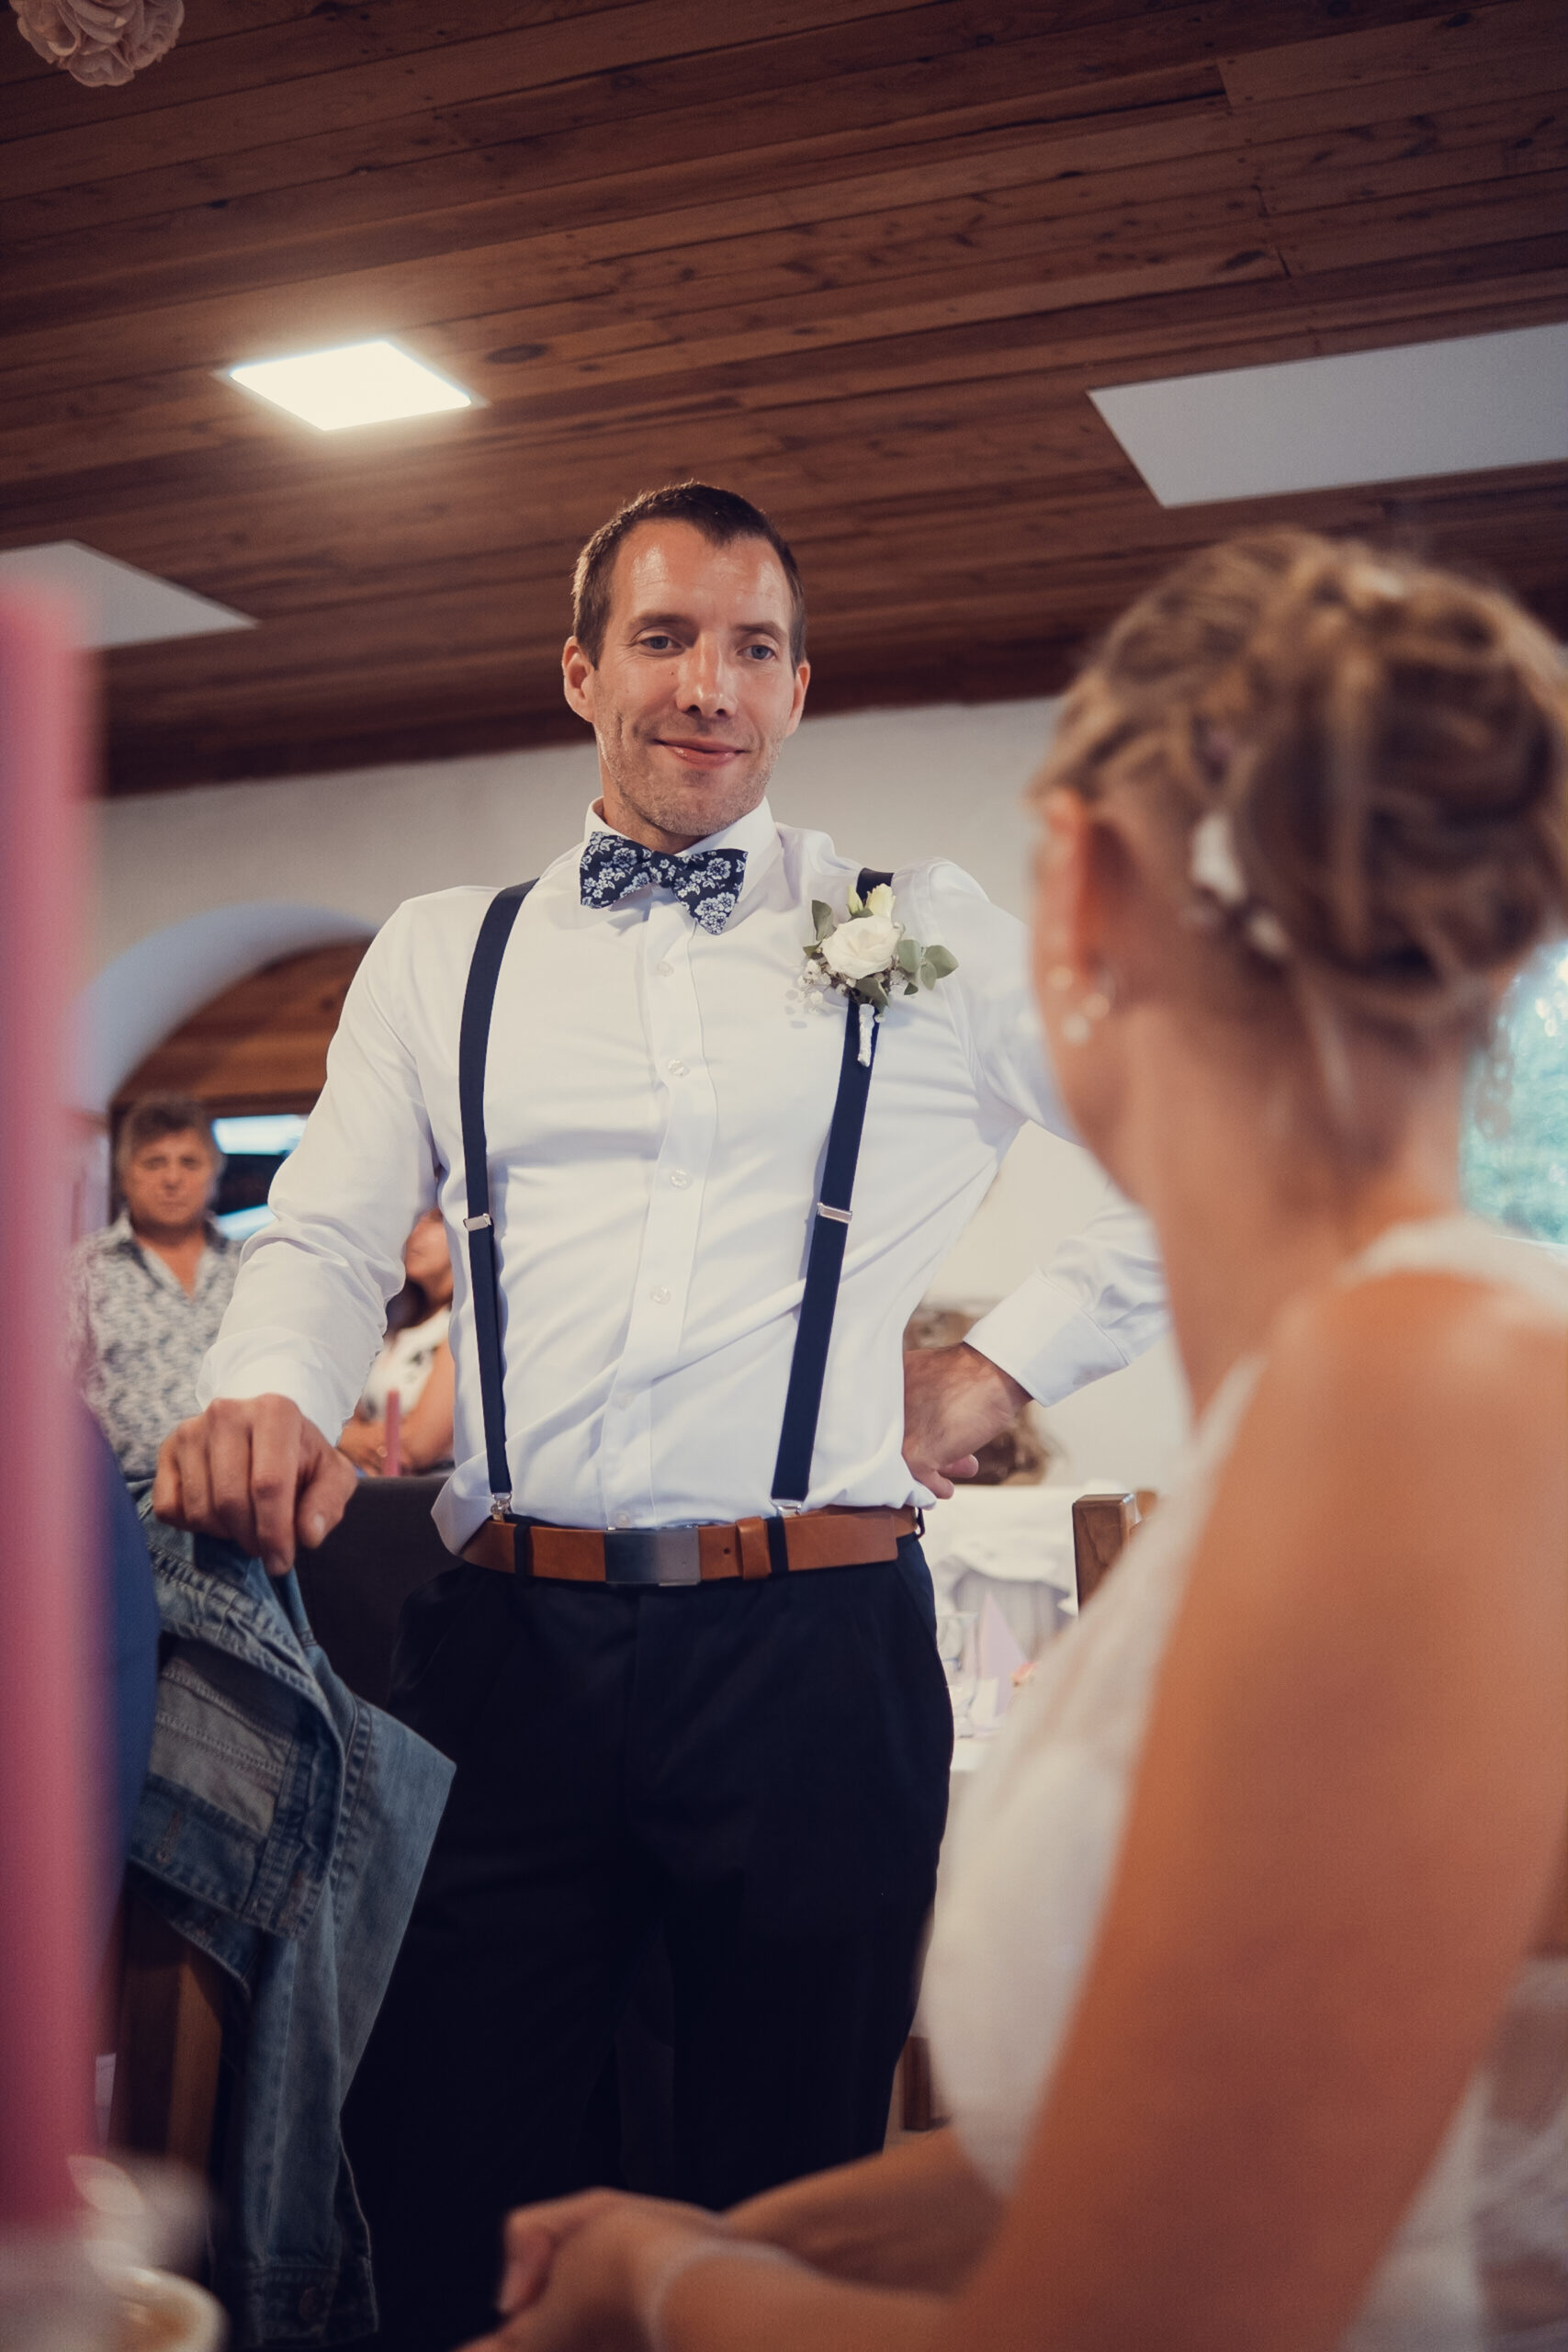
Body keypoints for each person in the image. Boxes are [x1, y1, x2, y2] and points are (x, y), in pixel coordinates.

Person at [464, 530, 1568, 2352]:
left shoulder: (1412, 1402)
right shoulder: (1381, 1369)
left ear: (1079, 899)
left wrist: (658, 2289)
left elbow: (1114, 2324)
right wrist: (744, 2232)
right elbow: (1164, 2146)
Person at [153, 481, 1165, 2350]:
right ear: (579, 671)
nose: (710, 684)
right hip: (502, 1654)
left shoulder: (903, 934)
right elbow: (322, 1232)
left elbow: (1193, 1136)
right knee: (444, 2183)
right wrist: (269, 1396)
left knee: (782, 2207)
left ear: (797, 689)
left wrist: (1004, 1358)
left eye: (754, 648)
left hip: (814, 1653)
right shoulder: (445, 953)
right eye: (665, 638)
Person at [67, 1095, 238, 1480]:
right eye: (154, 1162)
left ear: (214, 1173)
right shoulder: (83, 1270)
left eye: (189, 1162)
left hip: (247, 1487)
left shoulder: (251, 1266)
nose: (172, 1179)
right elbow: (51, 1398)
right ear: (125, 1175)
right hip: (127, 1494)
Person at [340, 1208, 457, 1475]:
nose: (414, 1232)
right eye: (413, 1220)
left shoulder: (466, 1323)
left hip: (437, 1491)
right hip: (384, 1487)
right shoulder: (394, 1322)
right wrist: (347, 1437)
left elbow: (416, 1446)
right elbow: (348, 1413)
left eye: (435, 1220)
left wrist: (342, 1439)